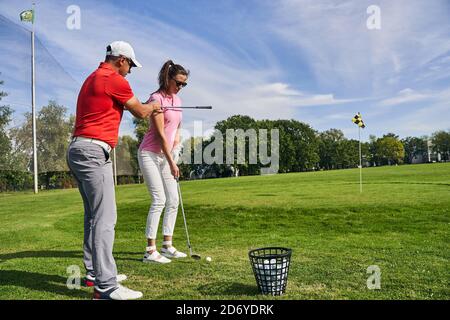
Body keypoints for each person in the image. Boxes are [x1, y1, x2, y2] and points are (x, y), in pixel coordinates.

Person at [67, 41, 162, 300]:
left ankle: (93, 273)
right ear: (121, 59)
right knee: (105, 218)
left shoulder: (92, 77)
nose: (130, 70)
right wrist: (154, 106)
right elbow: (141, 112)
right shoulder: (114, 79)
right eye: (130, 64)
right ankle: (106, 286)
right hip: (92, 152)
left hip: (79, 150)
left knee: (93, 217)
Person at [138, 60, 189, 264]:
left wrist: (176, 147)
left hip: (168, 154)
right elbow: (159, 135)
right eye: (178, 82)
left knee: (173, 200)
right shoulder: (155, 99)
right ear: (168, 78)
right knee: (159, 199)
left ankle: (167, 246)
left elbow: (176, 127)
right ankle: (150, 250)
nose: (180, 87)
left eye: (184, 84)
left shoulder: (177, 101)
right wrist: (172, 162)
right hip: (150, 153)